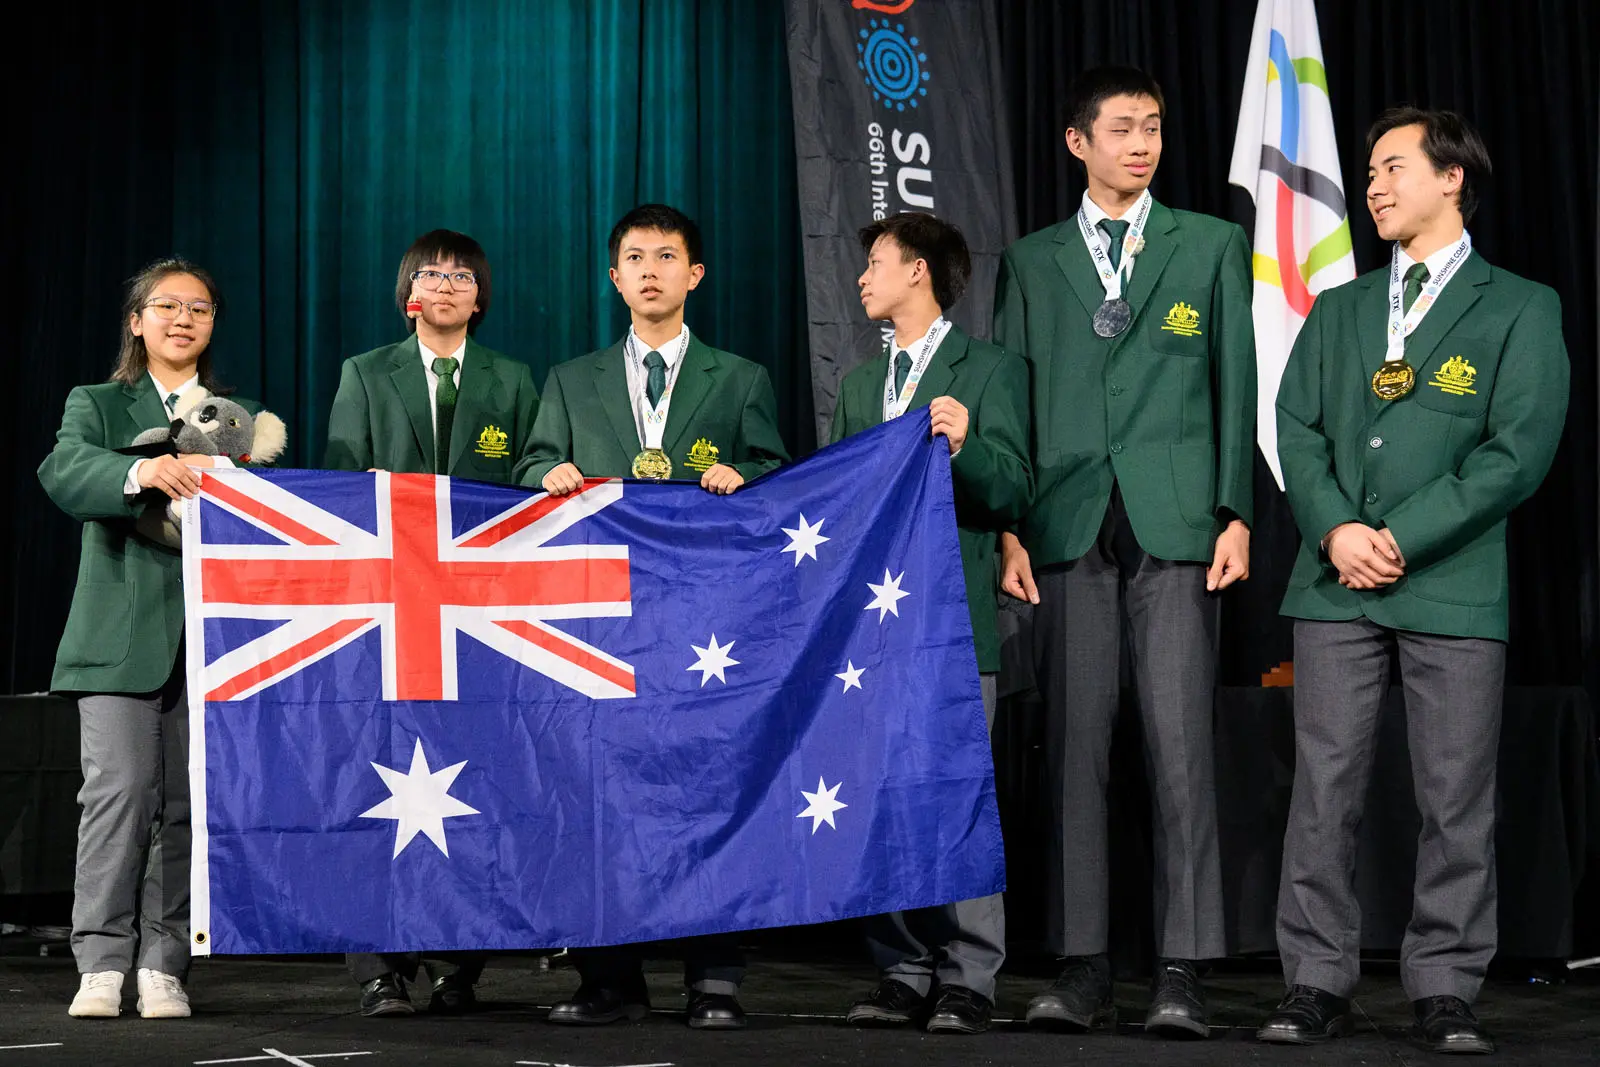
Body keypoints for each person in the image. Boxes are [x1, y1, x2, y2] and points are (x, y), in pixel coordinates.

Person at [1258, 108, 1569, 1056]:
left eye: (1393, 167)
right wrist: (1336, 528)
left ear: (1452, 178)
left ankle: (1445, 984)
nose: (1374, 186)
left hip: (1453, 579)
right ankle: (1316, 979)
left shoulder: (1521, 305)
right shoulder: (1341, 307)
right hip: (1335, 580)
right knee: (1324, 788)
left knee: (1455, 793)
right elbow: (1295, 426)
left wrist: (1399, 535)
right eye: (1369, 173)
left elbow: (1517, 451)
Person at [992, 65, 1256, 1037]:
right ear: (1078, 142)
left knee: (1180, 749)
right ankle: (1082, 963)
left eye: (1152, 127)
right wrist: (1010, 522)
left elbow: (1236, 380)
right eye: (1122, 128)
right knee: (1073, 750)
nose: (1141, 144)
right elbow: (1009, 396)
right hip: (1065, 521)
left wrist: (1235, 510)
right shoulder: (1032, 260)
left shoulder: (1211, 244)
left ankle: (1183, 966)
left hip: (1177, 523)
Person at [518, 202, 789, 1030]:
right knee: (602, 793)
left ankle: (714, 977)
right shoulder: (572, 379)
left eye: (666, 256)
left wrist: (745, 475)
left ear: (693, 275)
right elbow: (531, 462)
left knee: (712, 787)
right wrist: (547, 472)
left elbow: (776, 472)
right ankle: (610, 978)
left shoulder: (739, 377)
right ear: (614, 276)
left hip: (706, 620)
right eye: (634, 257)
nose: (649, 270)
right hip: (599, 619)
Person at [39, 258, 265, 1019]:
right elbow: (66, 470)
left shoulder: (239, 419)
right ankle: (101, 959)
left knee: (184, 804)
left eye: (198, 308)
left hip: (212, 640)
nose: (182, 319)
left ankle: (164, 964)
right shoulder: (98, 403)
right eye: (166, 305)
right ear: (137, 321)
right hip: (116, 638)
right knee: (120, 794)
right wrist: (145, 473)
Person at [324, 229, 539, 1016]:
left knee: (471, 778)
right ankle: (378, 965)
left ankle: (458, 963)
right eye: (430, 274)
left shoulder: (513, 379)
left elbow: (528, 476)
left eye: (460, 277)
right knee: (376, 777)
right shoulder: (364, 372)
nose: (445, 285)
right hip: (386, 607)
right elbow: (341, 487)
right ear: (407, 293)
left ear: (480, 298)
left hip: (477, 611)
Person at [831, 212, 1030, 1035]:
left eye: (875, 262)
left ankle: (969, 973)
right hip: (869, 632)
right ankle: (902, 968)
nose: (861, 277)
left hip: (952, 620)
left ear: (918, 271)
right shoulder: (857, 385)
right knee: (879, 796)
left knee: (955, 795)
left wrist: (968, 444)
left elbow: (1014, 487)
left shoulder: (989, 369)